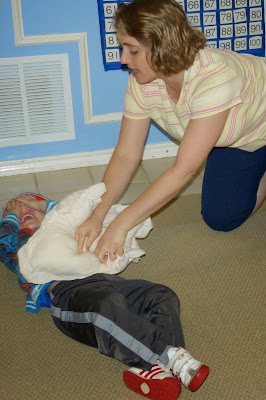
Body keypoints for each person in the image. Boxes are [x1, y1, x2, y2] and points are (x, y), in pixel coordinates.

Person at [75, 0, 266, 264]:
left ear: (163, 47)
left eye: (132, 50)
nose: (123, 59)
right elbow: (126, 155)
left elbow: (183, 170)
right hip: (244, 139)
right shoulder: (142, 84)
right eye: (123, 48)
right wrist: (97, 214)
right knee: (222, 218)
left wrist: (120, 225)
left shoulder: (215, 78)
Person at [0, 193, 210, 400]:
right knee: (104, 307)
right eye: (17, 210)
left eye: (28, 204)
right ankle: (167, 355)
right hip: (66, 293)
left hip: (105, 280)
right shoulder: (23, 246)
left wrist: (42, 204)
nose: (24, 209)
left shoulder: (66, 228)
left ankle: (153, 370)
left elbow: (77, 210)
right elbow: (4, 242)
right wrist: (10, 216)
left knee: (160, 294)